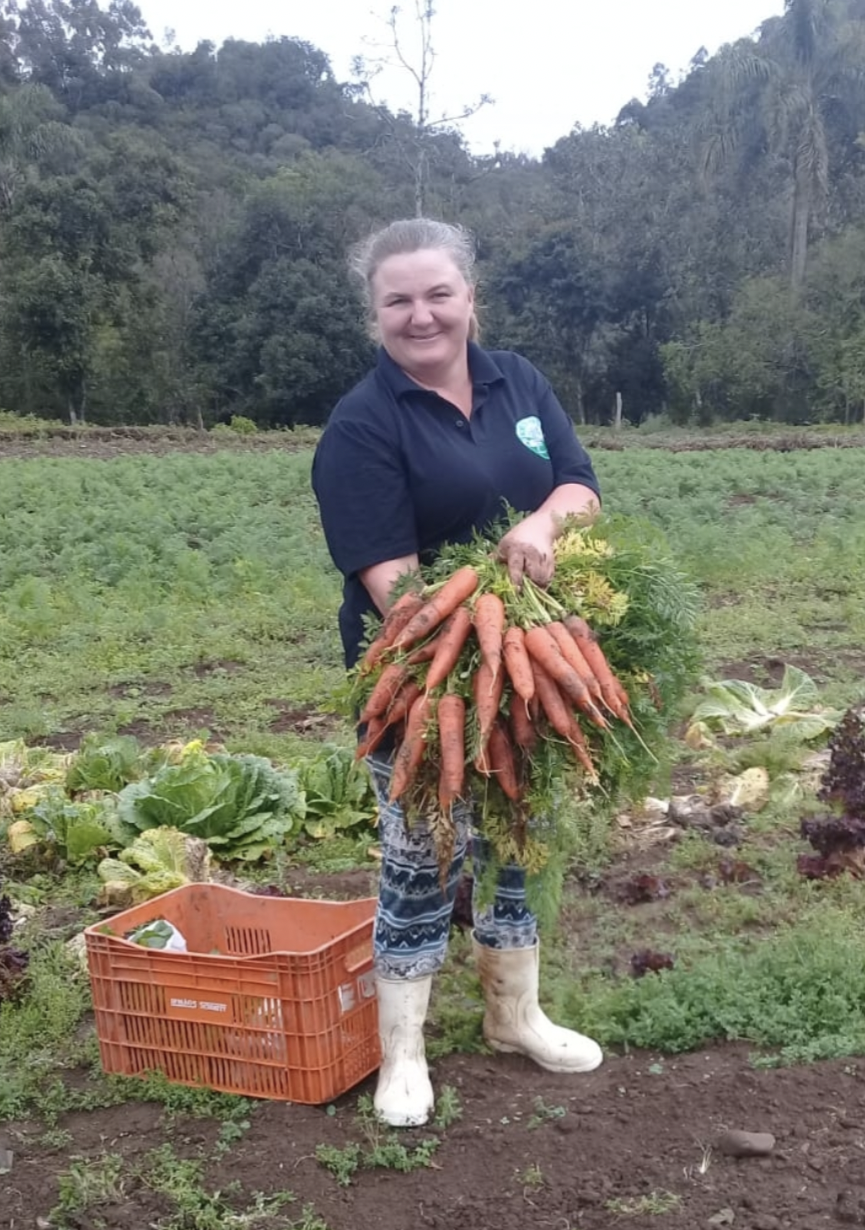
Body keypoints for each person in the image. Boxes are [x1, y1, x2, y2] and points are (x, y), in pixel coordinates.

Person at [311, 218, 604, 1128]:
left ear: (471, 296)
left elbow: (581, 485)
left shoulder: (520, 380)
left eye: (438, 293)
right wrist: (498, 627)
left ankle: (516, 1016)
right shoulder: (362, 427)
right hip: (420, 678)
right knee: (421, 854)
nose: (421, 314)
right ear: (375, 316)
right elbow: (400, 591)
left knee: (520, 837)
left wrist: (545, 525)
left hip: (534, 663)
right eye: (397, 300)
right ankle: (403, 1050)